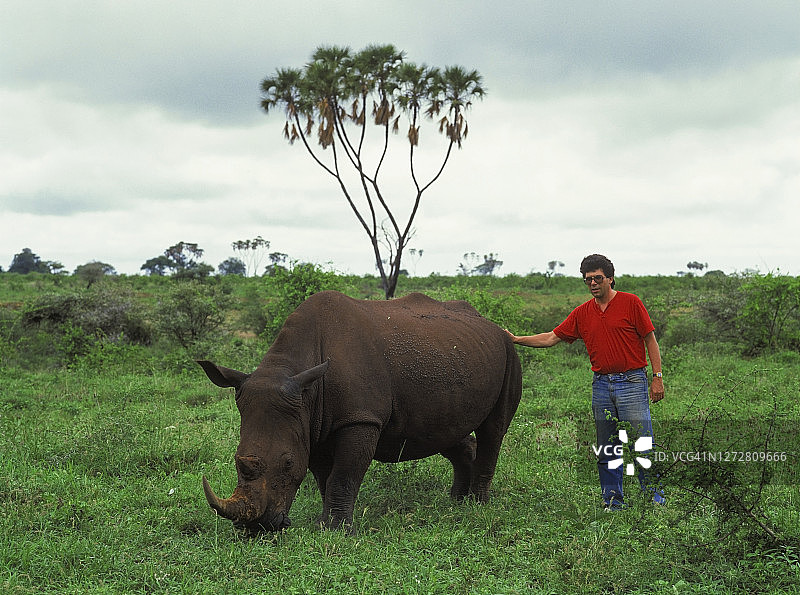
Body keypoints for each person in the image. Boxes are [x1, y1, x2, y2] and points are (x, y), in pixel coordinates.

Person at [505, 254, 665, 509]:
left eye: (597, 278)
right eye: (588, 279)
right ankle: (613, 502)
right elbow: (551, 337)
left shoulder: (631, 303)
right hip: (601, 385)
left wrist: (657, 378)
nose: (592, 283)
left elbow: (650, 340)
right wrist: (516, 339)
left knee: (642, 444)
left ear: (610, 279)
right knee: (607, 447)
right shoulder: (583, 313)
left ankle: (655, 501)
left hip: (632, 382)